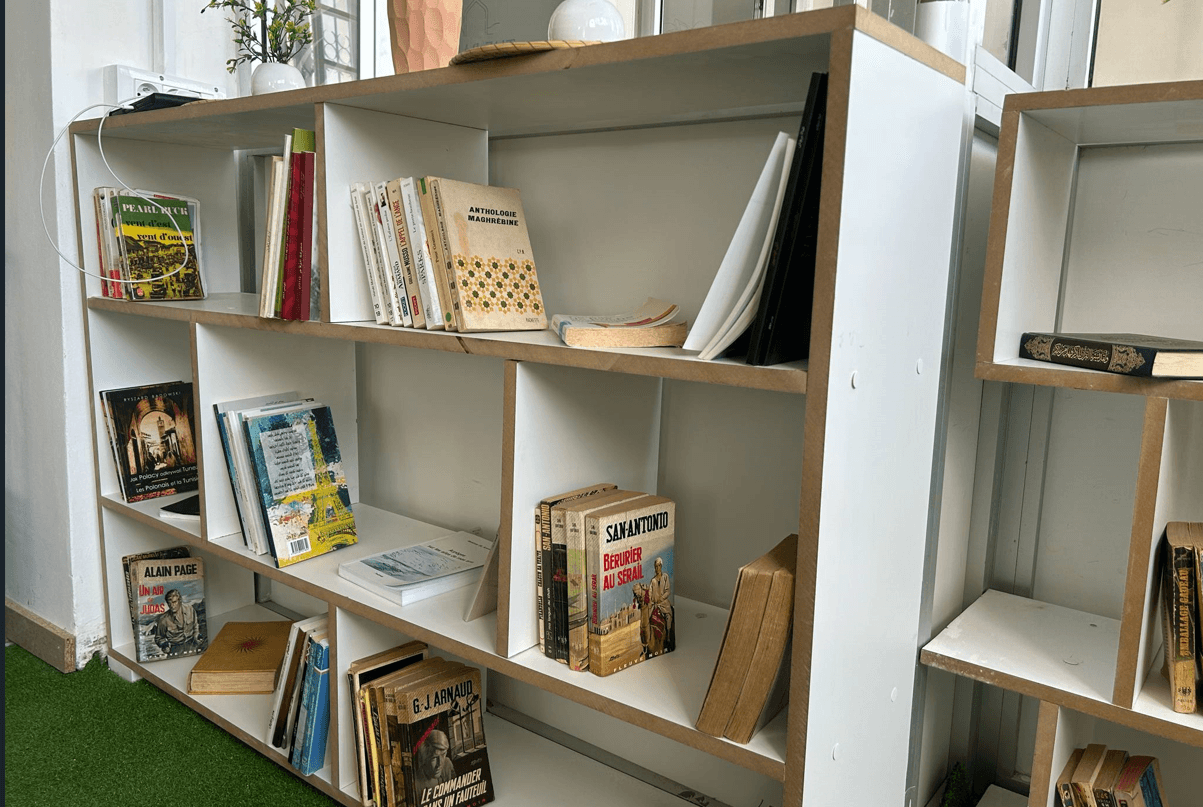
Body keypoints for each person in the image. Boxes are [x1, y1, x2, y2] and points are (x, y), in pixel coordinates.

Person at [152, 588, 202, 655]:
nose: (172, 606)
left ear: (180, 600)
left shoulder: (190, 609)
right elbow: (159, 638)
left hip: (192, 644)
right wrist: (164, 645)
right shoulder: (163, 619)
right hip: (175, 649)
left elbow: (195, 625)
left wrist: (196, 635)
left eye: (174, 602)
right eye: (169, 603)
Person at [413, 729, 456, 800]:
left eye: (443, 755)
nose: (440, 763)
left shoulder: (447, 763)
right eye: (434, 758)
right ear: (425, 758)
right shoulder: (417, 784)